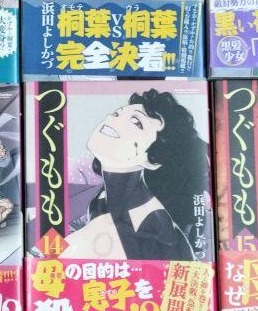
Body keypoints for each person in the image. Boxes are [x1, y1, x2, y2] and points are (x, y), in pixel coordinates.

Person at [62, 89, 209, 262]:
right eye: (117, 113)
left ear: (154, 159)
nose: (112, 118)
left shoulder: (153, 230)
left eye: (136, 122)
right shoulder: (102, 199)